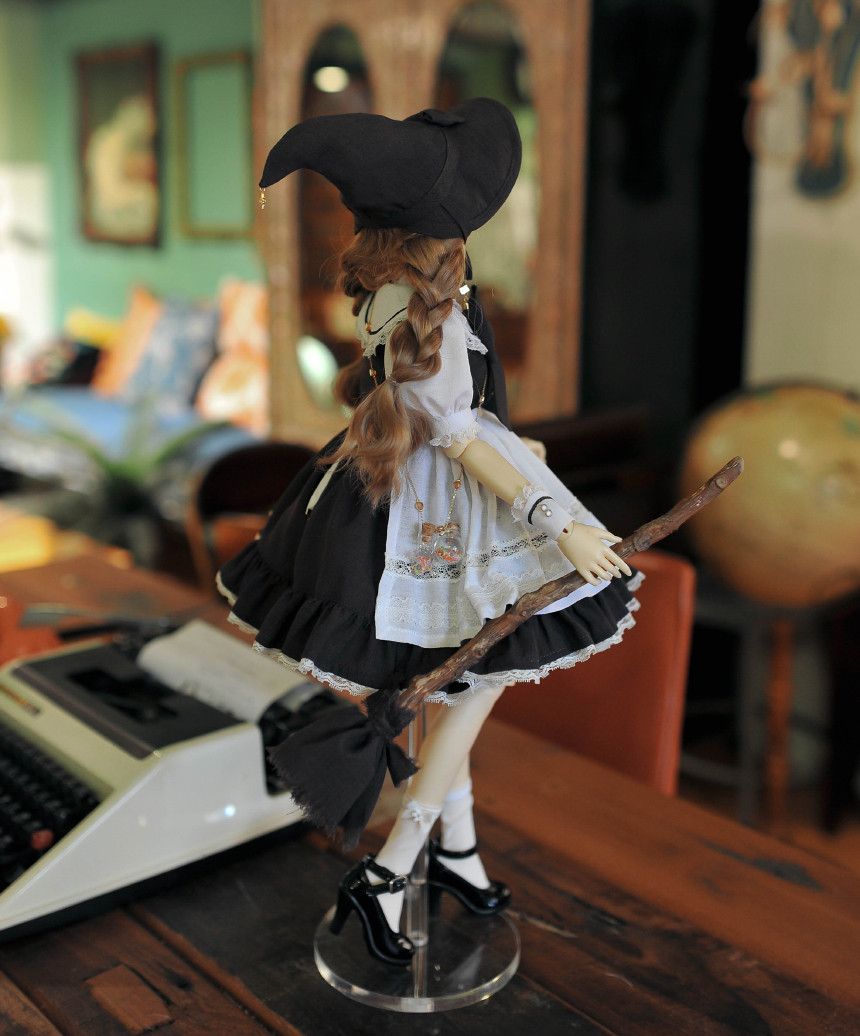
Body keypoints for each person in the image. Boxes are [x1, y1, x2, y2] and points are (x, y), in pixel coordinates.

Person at [218, 98, 642, 966]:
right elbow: (455, 435)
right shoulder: (436, 316)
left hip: (386, 494)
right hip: (434, 515)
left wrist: (515, 448)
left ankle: (458, 850)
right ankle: (392, 867)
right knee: (475, 681)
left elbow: (452, 417)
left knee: (458, 685)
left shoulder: (390, 294)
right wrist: (555, 519)